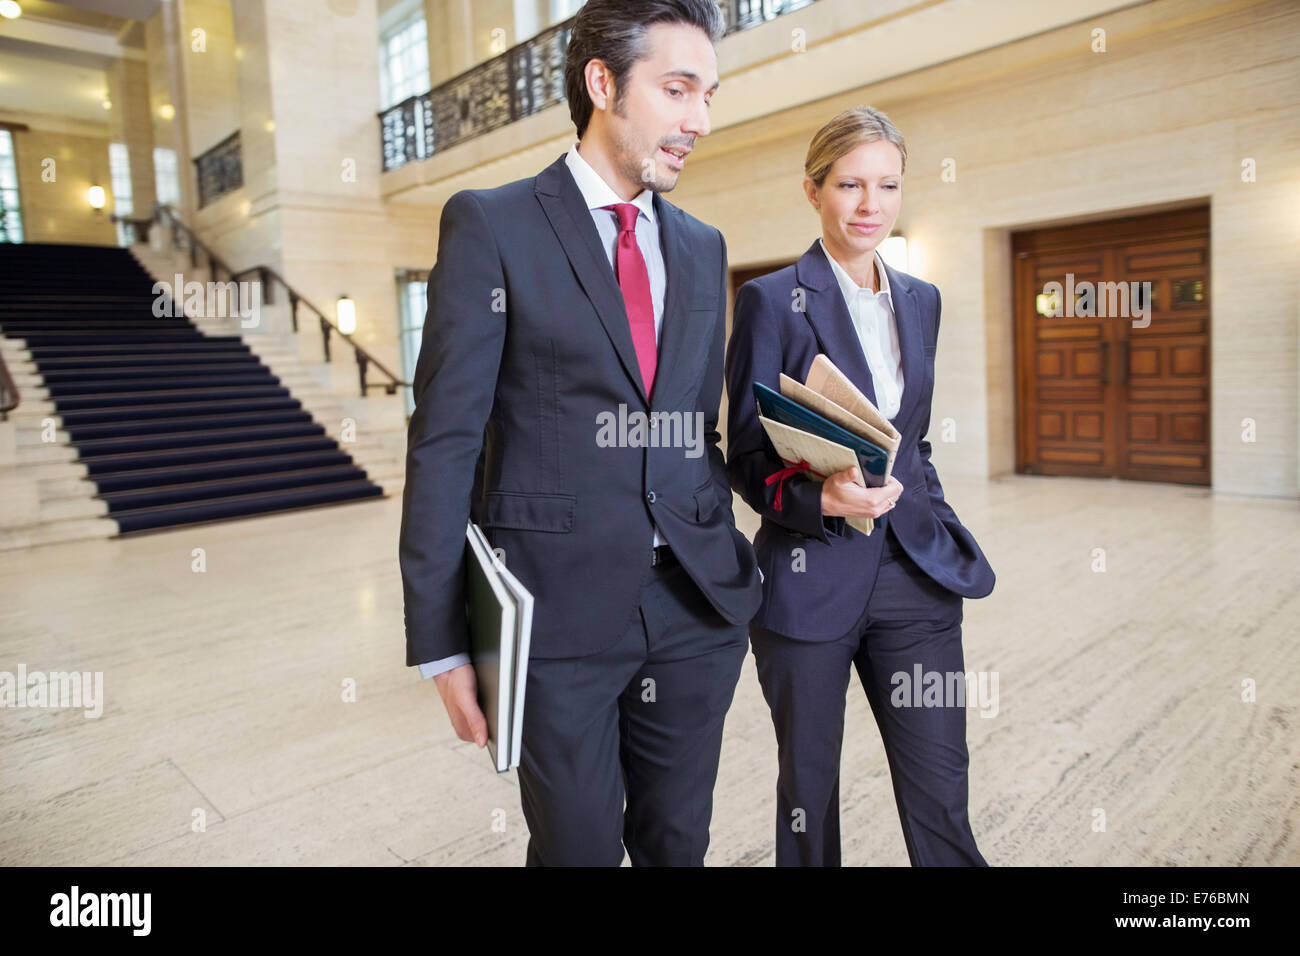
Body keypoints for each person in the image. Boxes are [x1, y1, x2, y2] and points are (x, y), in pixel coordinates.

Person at [399, 0, 761, 866]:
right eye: (678, 90)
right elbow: (445, 439)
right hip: (554, 618)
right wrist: (442, 641)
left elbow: (687, 425)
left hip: (692, 611)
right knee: (578, 851)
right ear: (603, 83)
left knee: (679, 843)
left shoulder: (704, 245)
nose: (699, 121)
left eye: (708, 94)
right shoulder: (492, 224)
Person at [724, 106, 995, 866]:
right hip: (809, 581)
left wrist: (934, 517)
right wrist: (820, 502)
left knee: (942, 787)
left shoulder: (921, 299)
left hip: (915, 577)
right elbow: (745, 452)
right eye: (849, 184)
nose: (870, 204)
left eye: (887, 186)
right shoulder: (771, 300)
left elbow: (915, 440)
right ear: (813, 191)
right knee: (809, 794)